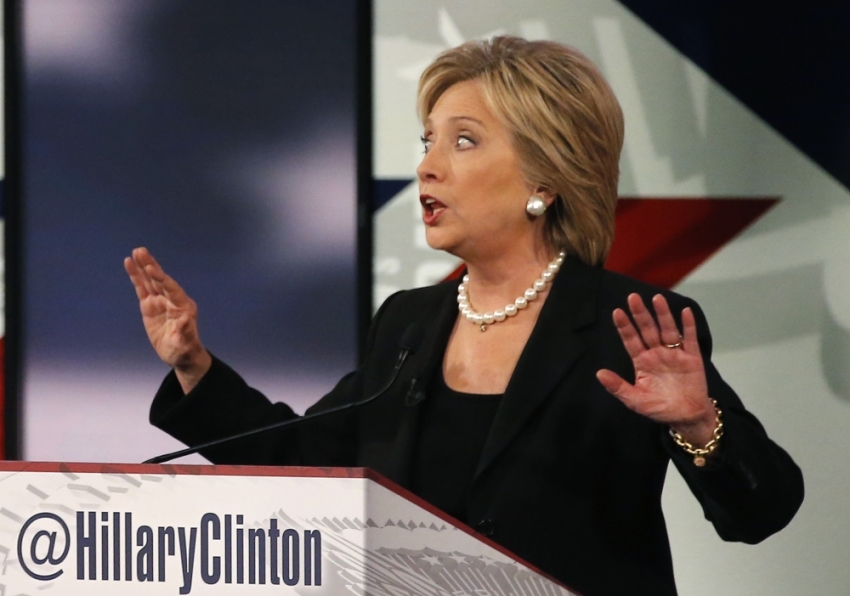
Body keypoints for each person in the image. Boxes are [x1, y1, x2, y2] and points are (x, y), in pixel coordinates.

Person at [125, 36, 803, 596]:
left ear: (546, 177)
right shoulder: (409, 324)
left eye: (464, 142)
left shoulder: (632, 324)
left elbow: (759, 511)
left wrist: (699, 424)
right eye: (427, 142)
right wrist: (195, 365)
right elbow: (304, 458)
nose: (427, 167)